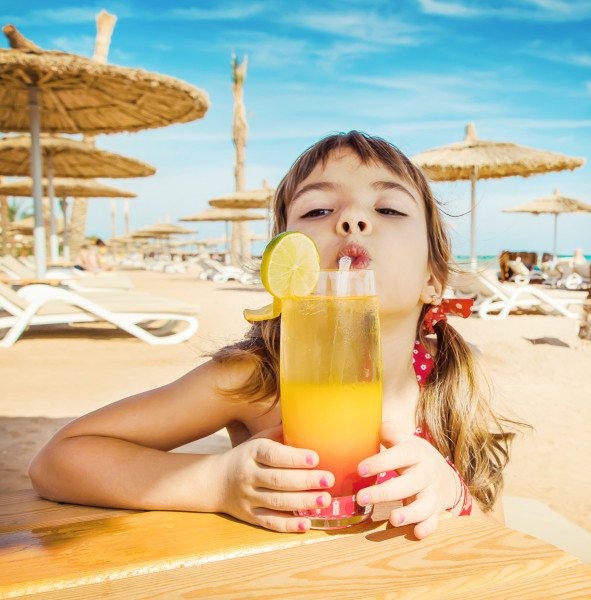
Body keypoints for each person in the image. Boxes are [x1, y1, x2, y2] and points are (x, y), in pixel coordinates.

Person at [29, 131, 524, 539]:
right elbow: (59, 460)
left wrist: (452, 493)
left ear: (432, 280)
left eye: (389, 209)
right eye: (317, 211)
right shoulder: (257, 379)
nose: (352, 220)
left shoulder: (451, 381)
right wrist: (217, 483)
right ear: (285, 267)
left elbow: (498, 534)